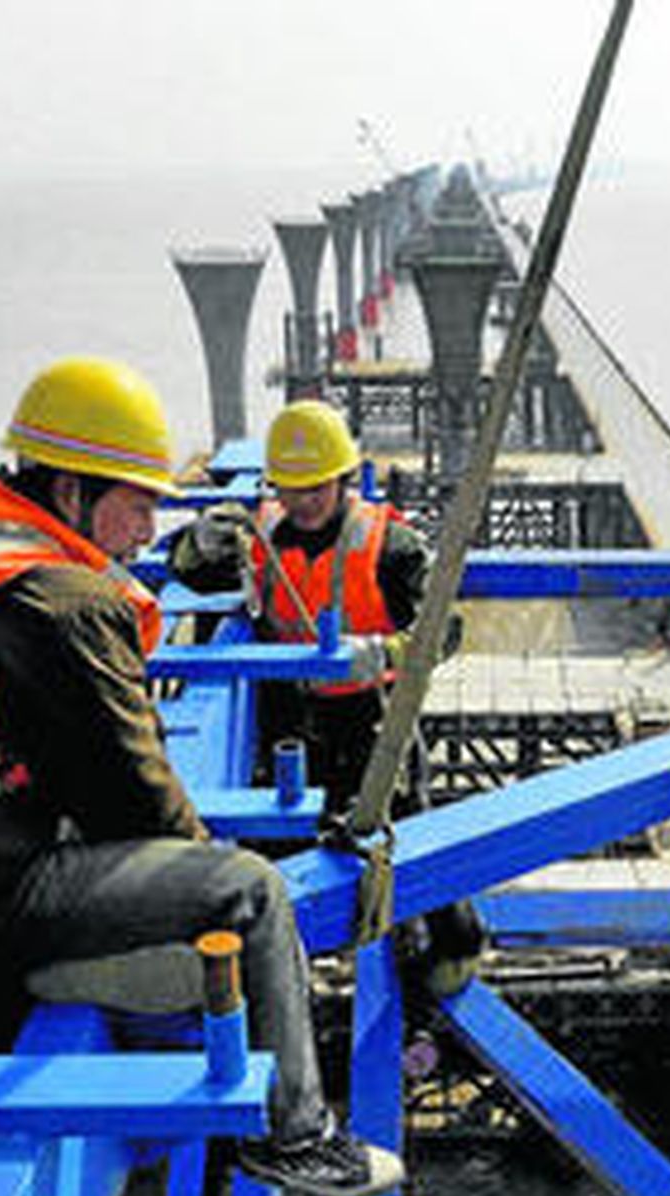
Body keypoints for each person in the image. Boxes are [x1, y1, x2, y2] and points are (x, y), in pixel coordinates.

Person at [0, 356, 402, 1196]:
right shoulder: (52, 598)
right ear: (72, 488)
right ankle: (295, 1135)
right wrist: (201, 874)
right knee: (249, 894)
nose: (147, 530)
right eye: (138, 502)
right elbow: (137, 803)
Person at [170, 399, 483, 990]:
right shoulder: (257, 537)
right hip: (291, 722)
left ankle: (447, 968)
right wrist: (198, 541)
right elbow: (189, 571)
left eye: (316, 487)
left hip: (371, 722)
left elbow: (445, 628)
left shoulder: (390, 547)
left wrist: (386, 653)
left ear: (342, 478)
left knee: (404, 845)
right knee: (289, 852)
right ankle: (292, 974)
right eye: (290, 488)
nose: (303, 502)